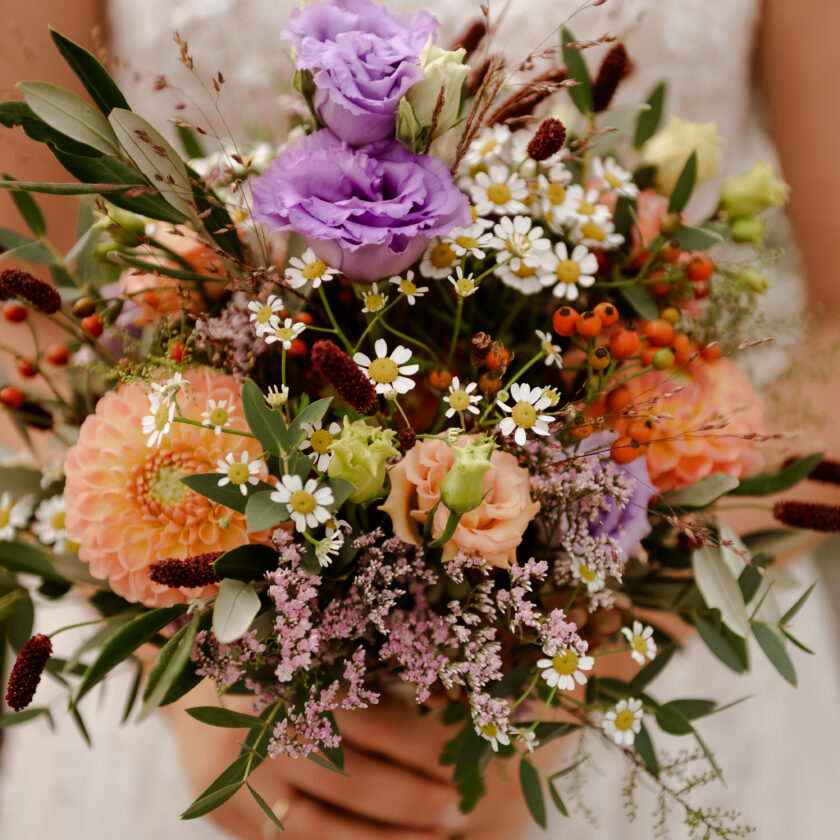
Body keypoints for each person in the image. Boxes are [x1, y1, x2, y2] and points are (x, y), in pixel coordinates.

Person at [1, 1, 839, 838]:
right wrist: (199, 678)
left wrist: (571, 667)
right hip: (199, 685)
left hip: (620, 671)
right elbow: (21, 314)